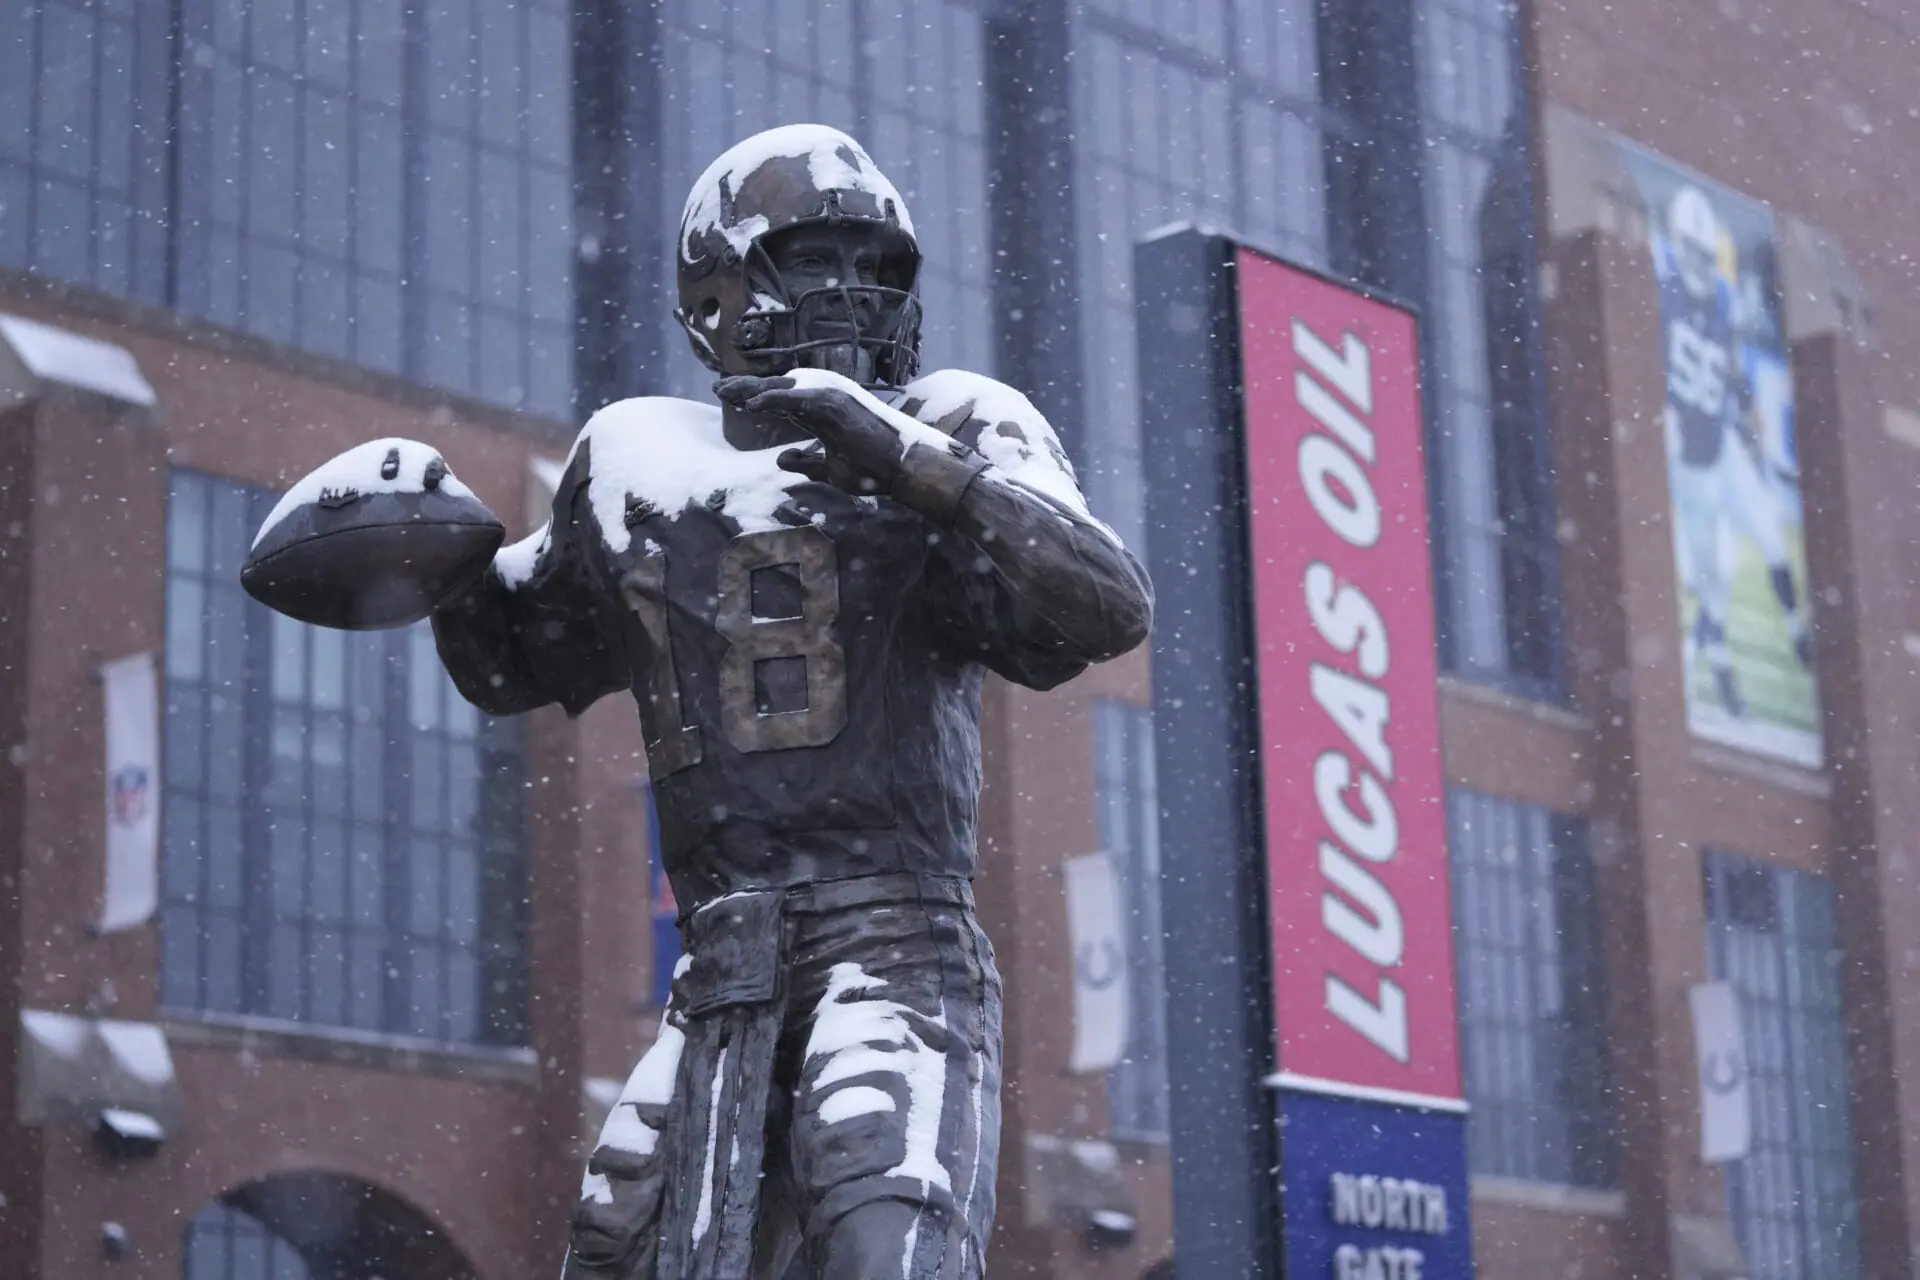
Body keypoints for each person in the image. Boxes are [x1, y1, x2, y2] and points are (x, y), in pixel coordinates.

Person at [430, 124, 1153, 1279]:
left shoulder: (957, 417)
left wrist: (911, 462)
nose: (856, 293)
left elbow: (1108, 602)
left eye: (880, 269)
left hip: (896, 942)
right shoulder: (631, 456)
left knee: (891, 1239)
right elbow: (510, 657)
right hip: (723, 963)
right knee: (617, 1253)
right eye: (817, 259)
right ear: (715, 294)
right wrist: (427, 551)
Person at [1655, 182, 1811, 719]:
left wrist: (1746, 413)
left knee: (1770, 532)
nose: (1700, 261)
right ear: (1678, 248)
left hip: (1720, 446)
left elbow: (1730, 367)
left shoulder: (1719, 298)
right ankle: (1712, 662)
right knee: (1714, 573)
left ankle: (1796, 632)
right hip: (1689, 467)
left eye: (1706, 252)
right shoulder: (1663, 299)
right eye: (1693, 252)